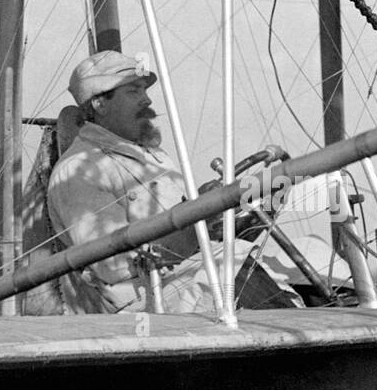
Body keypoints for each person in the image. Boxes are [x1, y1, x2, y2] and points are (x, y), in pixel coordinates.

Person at [47, 50, 298, 314]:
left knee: (310, 251)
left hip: (192, 270)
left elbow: (189, 234)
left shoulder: (152, 156)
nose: (147, 99)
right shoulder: (77, 171)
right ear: (100, 103)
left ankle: (326, 324)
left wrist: (222, 213)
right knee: (230, 263)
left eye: (145, 90)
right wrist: (195, 219)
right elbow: (113, 266)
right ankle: (303, 338)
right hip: (146, 300)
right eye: (134, 91)